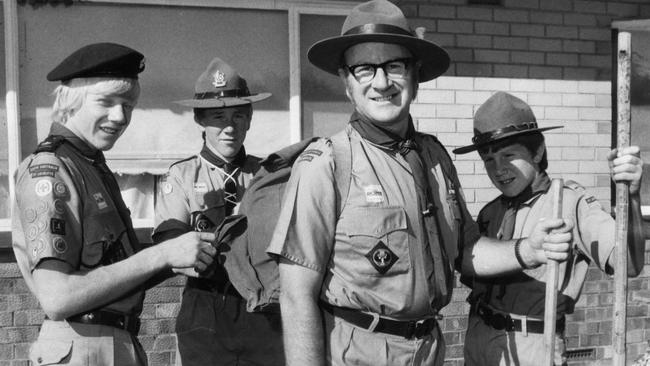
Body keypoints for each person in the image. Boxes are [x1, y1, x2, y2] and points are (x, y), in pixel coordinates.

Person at [266, 1, 574, 365]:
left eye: (394, 66)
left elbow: (467, 251)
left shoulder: (435, 159)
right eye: (364, 69)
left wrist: (529, 250)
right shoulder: (326, 166)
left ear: (415, 77)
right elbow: (296, 295)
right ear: (347, 83)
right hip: (357, 353)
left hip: (428, 349)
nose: (382, 82)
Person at [11, 43, 218, 366]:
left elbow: (107, 273)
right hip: (83, 347)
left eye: (128, 105)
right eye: (106, 102)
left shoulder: (90, 165)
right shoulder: (52, 169)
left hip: (110, 344)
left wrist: (173, 260)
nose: (120, 116)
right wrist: (160, 254)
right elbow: (57, 297)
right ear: (71, 102)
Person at [453, 91, 646, 366]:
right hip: (479, 340)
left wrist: (633, 197)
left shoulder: (568, 203)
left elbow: (628, 263)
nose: (498, 169)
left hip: (533, 347)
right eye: (488, 159)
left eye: (509, 155)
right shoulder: (491, 212)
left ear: (538, 151)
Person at [152, 57, 284, 366]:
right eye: (217, 116)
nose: (229, 127)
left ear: (250, 119)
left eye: (239, 115)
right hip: (206, 305)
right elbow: (172, 248)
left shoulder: (267, 176)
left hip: (262, 309)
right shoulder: (181, 177)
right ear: (200, 119)